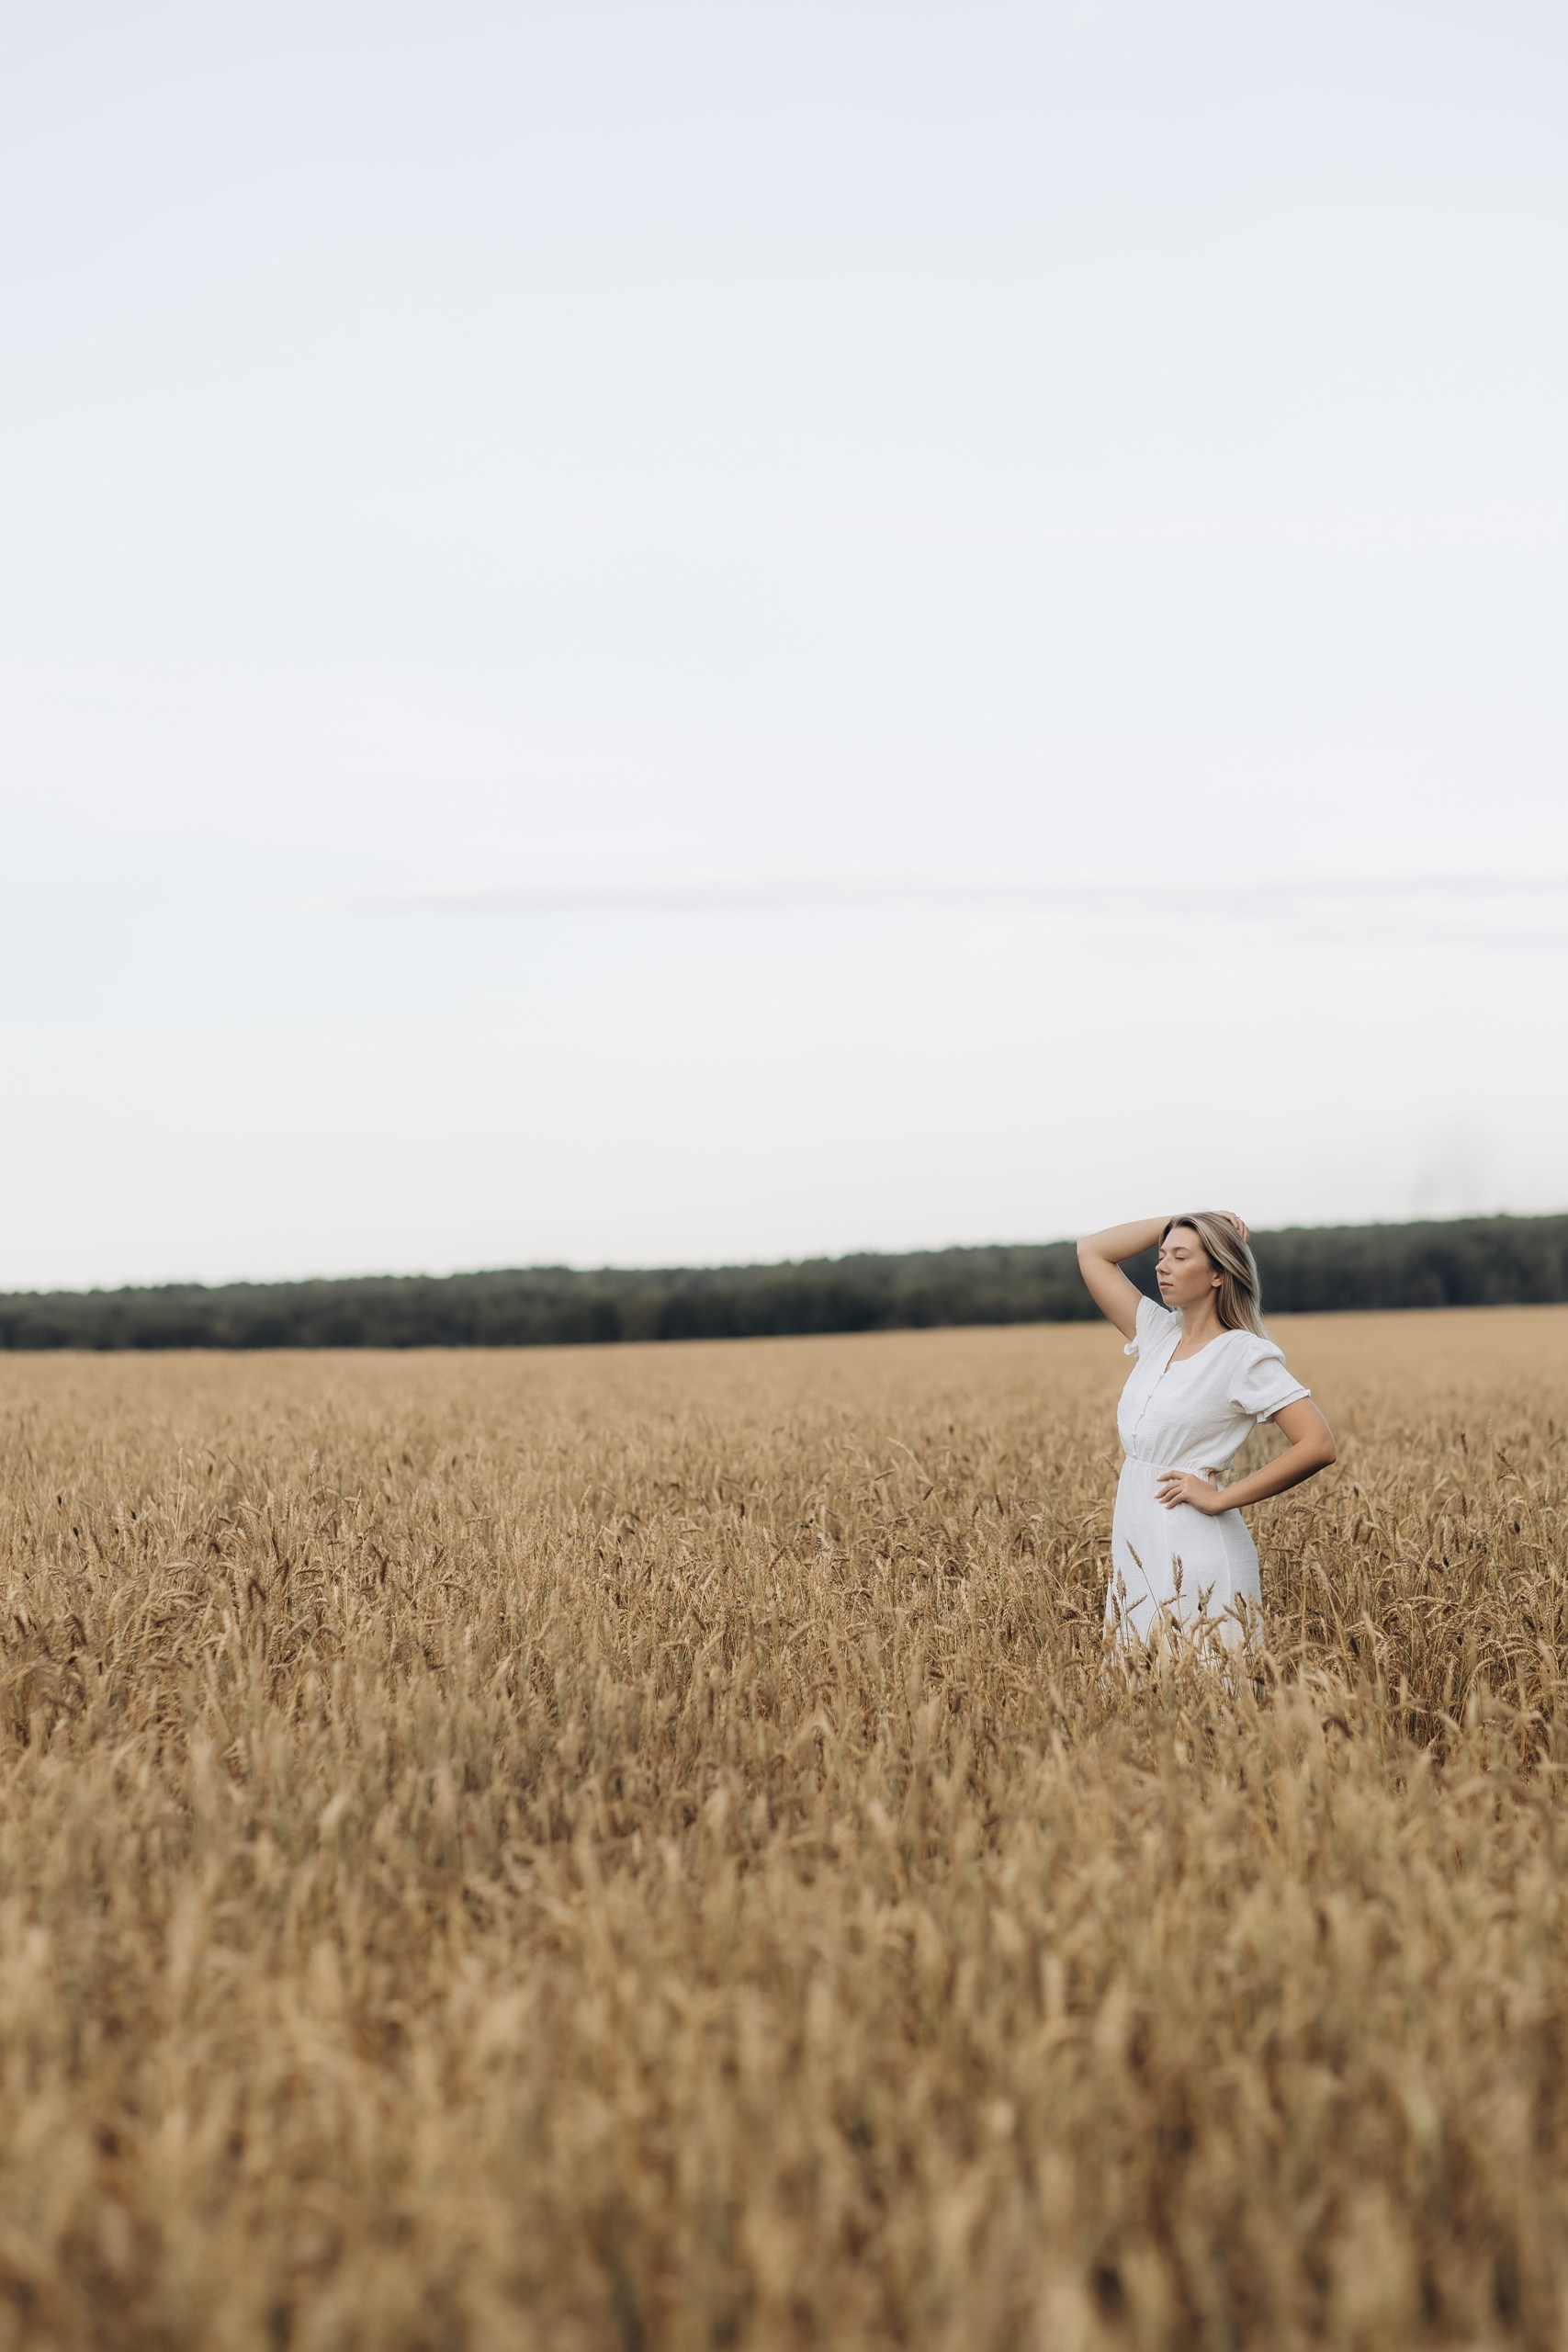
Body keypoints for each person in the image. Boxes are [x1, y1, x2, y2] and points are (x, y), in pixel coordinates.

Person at [1076, 1211, 1337, 1651]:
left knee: (1210, 1701)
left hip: (1198, 1551)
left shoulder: (1243, 1354)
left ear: (1218, 1273)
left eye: (1180, 1257)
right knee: (1139, 1698)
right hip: (1136, 1546)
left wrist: (1220, 1498)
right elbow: (1092, 1251)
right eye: (1161, 1255)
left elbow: (1318, 1444)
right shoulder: (1157, 1332)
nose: (1162, 1266)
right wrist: (1191, 1214)